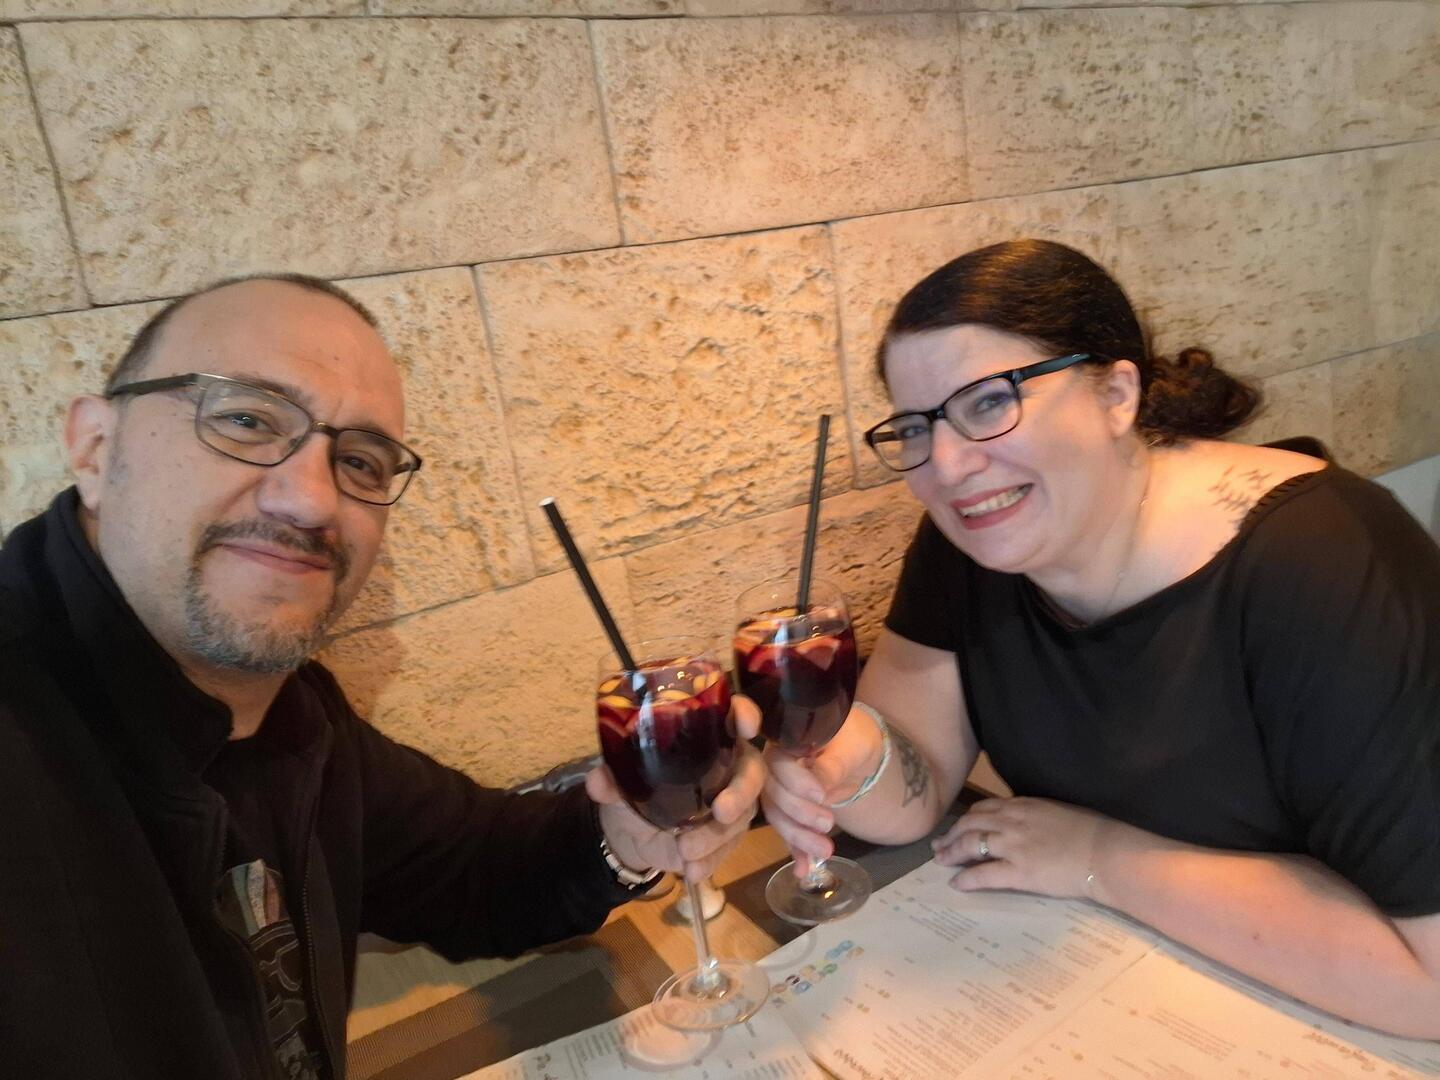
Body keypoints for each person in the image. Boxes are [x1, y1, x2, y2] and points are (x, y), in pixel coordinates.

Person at [0, 274, 764, 1079]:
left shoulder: (293, 718)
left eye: (360, 461)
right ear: (95, 447)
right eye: (247, 420)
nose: (309, 501)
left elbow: (471, 868)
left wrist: (622, 839)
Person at [762, 239, 1440, 1037]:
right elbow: (917, 785)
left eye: (988, 403)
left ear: (1117, 393)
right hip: (1116, 987)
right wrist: (838, 762)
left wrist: (1098, 859)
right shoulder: (972, 541)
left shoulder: (1324, 562)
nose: (945, 465)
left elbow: (1429, 983)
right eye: (917, 427)